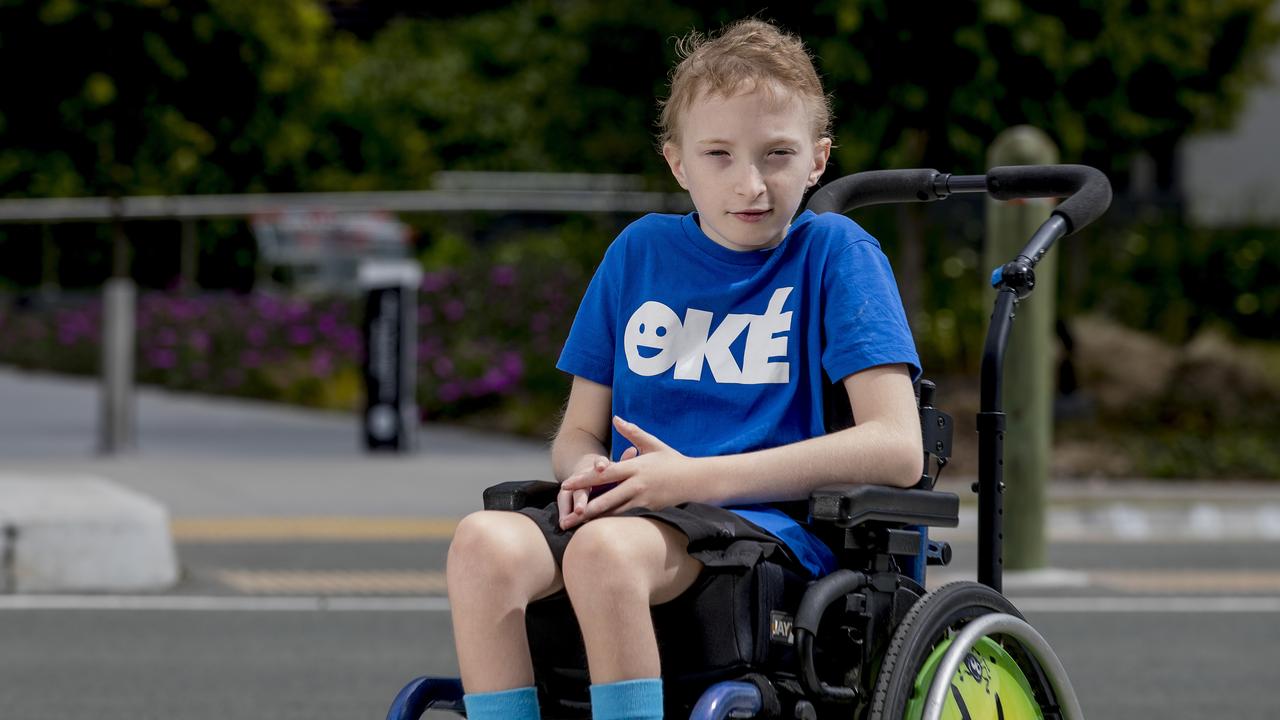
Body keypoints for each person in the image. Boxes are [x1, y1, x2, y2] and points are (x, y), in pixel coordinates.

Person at [446, 18, 922, 720]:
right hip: (633, 509)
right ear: (678, 164)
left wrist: (696, 478)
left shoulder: (835, 254)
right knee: (482, 542)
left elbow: (898, 447)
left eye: (777, 154)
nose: (750, 183)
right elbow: (579, 431)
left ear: (819, 160)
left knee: (605, 551)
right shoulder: (637, 254)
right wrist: (582, 470)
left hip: (761, 532)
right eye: (719, 155)